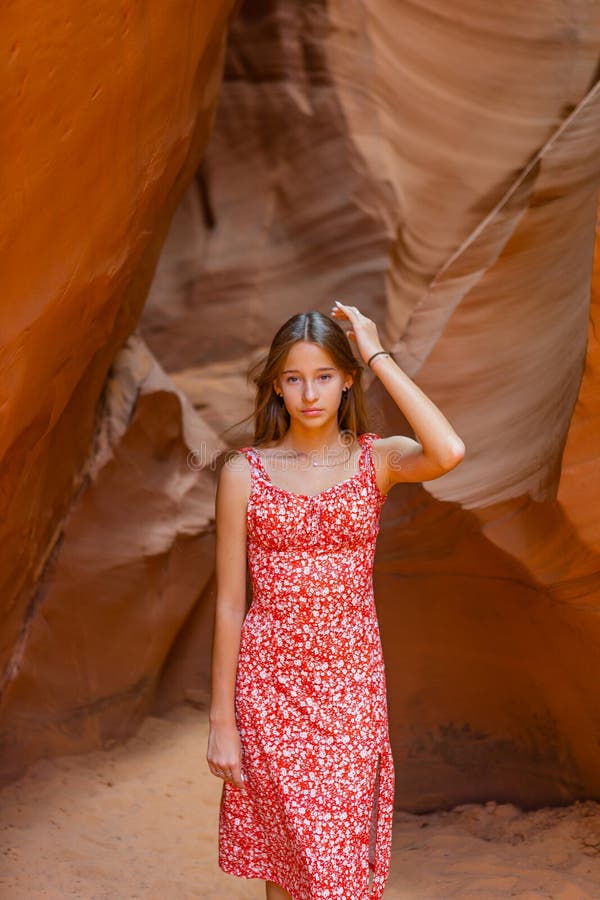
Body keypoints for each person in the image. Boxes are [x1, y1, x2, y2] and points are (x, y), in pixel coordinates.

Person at [206, 302, 465, 900]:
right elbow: (228, 604)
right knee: (287, 856)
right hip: (269, 691)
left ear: (348, 378)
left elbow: (447, 450)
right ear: (276, 385)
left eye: (324, 375)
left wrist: (376, 352)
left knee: (336, 866)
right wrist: (223, 720)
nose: (309, 393)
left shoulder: (376, 459)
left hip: (351, 693)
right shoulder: (243, 474)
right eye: (293, 378)